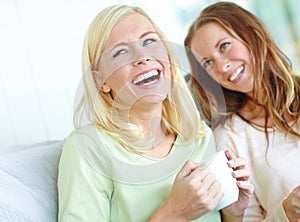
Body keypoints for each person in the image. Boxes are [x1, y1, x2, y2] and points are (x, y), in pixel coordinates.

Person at [57, 4, 253, 222]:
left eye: (149, 41)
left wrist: (234, 212)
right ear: (100, 81)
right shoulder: (88, 148)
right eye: (120, 52)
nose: (143, 57)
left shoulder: (198, 135)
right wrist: (174, 212)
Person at [184, 1, 300, 221]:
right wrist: (286, 212)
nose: (222, 66)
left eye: (224, 46)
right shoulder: (229, 137)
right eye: (207, 63)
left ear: (251, 35)